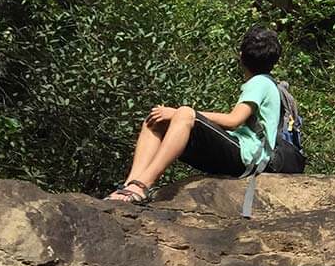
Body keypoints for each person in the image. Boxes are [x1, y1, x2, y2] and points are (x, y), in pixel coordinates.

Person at [106, 26, 283, 204]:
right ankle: (131, 185)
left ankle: (141, 186)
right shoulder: (265, 83)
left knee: (184, 114)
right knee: (156, 120)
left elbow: (233, 121)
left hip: (248, 158)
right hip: (242, 155)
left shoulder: (260, 82)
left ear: (241, 55)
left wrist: (179, 113)